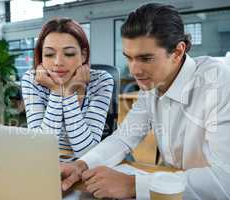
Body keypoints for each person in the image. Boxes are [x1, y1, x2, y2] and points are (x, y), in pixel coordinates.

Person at [60, 3, 230, 200]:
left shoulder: (220, 85)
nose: (134, 71)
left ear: (177, 52)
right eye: (129, 58)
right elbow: (124, 137)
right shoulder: (153, 85)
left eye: (145, 58)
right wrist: (81, 165)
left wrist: (133, 185)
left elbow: (225, 180)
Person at [21, 18, 114, 159]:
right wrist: (58, 90)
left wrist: (68, 91)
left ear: (83, 55)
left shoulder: (101, 81)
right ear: (41, 57)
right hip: (48, 164)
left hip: (85, 167)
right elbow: (40, 148)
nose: (58, 62)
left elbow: (87, 152)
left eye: (69, 54)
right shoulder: (32, 79)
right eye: (49, 54)